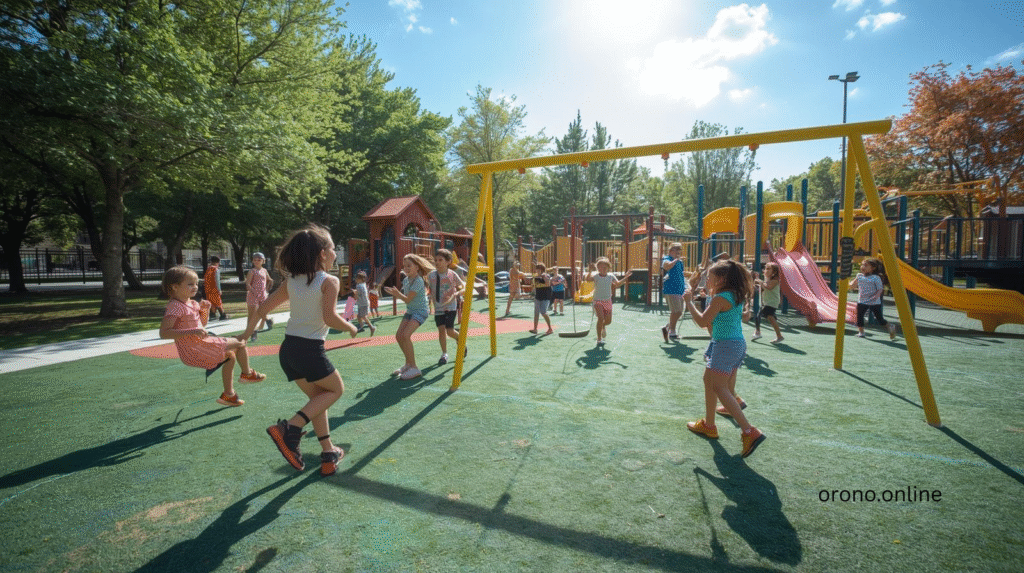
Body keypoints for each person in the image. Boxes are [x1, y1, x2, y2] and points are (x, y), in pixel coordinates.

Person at [241, 225, 358, 476]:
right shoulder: (329, 281)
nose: (336, 253)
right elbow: (329, 317)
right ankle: (290, 429)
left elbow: (263, 308)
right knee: (336, 390)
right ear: (322, 254)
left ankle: (328, 452)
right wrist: (350, 326)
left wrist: (246, 332)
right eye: (333, 248)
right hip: (309, 350)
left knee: (318, 399)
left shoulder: (291, 281)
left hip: (288, 351)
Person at [683, 259, 766, 458]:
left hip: (726, 346)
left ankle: (749, 431)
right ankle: (709, 425)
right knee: (709, 381)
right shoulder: (732, 294)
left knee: (720, 388)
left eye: (709, 277)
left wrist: (688, 303)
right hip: (732, 344)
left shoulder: (720, 298)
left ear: (721, 279)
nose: (706, 280)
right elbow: (722, 322)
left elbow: (703, 322)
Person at [160, 266, 266, 407]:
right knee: (240, 341)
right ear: (174, 287)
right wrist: (191, 331)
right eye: (190, 284)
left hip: (202, 344)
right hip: (194, 349)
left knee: (230, 356)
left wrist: (205, 310)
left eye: (196, 283)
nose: (195, 287)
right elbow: (164, 333)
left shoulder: (192, 303)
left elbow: (202, 325)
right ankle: (247, 374)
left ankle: (229, 395)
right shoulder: (175, 306)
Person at [384, 253, 434, 380]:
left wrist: (397, 294)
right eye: (404, 265)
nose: (406, 268)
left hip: (420, 312)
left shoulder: (418, 281)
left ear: (417, 267)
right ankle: (408, 364)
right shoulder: (406, 280)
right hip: (411, 311)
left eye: (409, 265)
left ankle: (415, 368)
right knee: (399, 336)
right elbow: (407, 299)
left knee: (406, 335)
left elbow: (407, 299)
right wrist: (395, 293)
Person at [428, 249, 466, 365]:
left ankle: (461, 342)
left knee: (449, 331)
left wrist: (457, 293)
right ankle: (444, 354)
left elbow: (463, 288)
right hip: (438, 307)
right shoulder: (431, 275)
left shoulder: (452, 274)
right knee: (441, 331)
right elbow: (431, 290)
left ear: (448, 261)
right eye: (436, 260)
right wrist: (430, 301)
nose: (437, 262)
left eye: (440, 260)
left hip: (450, 306)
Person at [585, 257, 632, 347]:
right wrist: (590, 271)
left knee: (608, 321)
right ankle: (599, 339)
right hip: (597, 300)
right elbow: (588, 279)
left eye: (604, 267)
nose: (602, 269)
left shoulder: (610, 276)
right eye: (600, 267)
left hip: (607, 300)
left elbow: (618, 284)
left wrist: (625, 277)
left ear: (608, 268)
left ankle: (603, 326)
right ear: (597, 268)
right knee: (600, 318)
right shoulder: (596, 276)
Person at [849, 257, 897, 339]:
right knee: (859, 316)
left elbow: (880, 289)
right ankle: (861, 332)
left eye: (866, 265)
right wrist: (852, 282)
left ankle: (890, 326)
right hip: (862, 300)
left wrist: (875, 297)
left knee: (880, 319)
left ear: (873, 268)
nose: (863, 267)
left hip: (874, 301)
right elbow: (852, 286)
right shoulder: (859, 276)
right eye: (862, 265)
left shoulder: (876, 277)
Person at [660, 243, 688, 342]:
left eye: (679, 251)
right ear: (671, 250)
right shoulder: (666, 259)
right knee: (676, 311)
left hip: (680, 289)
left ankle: (667, 327)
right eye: (677, 251)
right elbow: (667, 267)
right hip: (671, 289)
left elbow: (681, 274)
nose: (678, 253)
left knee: (679, 311)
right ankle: (672, 330)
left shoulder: (680, 262)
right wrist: (675, 260)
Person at [752, 262, 784, 343]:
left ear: (774, 272)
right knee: (771, 318)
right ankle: (779, 336)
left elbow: (768, 287)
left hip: (772, 302)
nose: (766, 270)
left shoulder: (775, 280)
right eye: (765, 268)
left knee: (758, 315)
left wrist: (760, 282)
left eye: (768, 268)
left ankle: (758, 332)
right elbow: (763, 288)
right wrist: (757, 282)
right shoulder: (767, 280)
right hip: (768, 302)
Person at [245, 252, 274, 342]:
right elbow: (248, 284)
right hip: (253, 296)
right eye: (255, 260)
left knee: (262, 312)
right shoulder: (252, 271)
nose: (257, 261)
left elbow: (269, 280)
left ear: (263, 261)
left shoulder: (264, 270)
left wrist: (267, 290)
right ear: (253, 261)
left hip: (262, 296)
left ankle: (268, 321)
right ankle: (253, 334)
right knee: (252, 316)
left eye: (259, 260)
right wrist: (254, 292)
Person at [529, 262, 554, 335]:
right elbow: (535, 285)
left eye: (538, 269)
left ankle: (550, 328)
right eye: (536, 269)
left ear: (542, 269)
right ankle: (535, 329)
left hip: (545, 296)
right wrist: (532, 292)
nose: (536, 270)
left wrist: (543, 276)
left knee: (543, 312)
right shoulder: (536, 276)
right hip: (538, 296)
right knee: (536, 313)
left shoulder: (546, 275)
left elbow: (548, 282)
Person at [352, 270, 376, 336]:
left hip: (363, 303)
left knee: (363, 316)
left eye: (357, 278)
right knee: (359, 316)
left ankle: (371, 327)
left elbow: (357, 296)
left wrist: (355, 293)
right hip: (362, 303)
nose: (356, 279)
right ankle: (362, 327)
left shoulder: (359, 286)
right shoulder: (363, 284)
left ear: (361, 279)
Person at [204, 256, 228, 320]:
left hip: (208, 289)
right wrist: (219, 289)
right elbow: (217, 280)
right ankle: (222, 314)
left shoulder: (208, 269)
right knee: (218, 302)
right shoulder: (215, 269)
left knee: (211, 301)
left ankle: (212, 314)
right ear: (218, 262)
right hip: (214, 289)